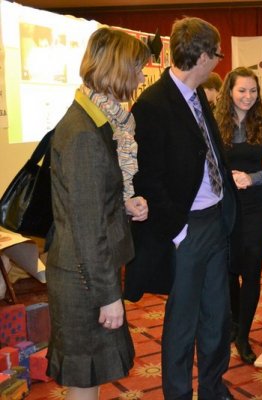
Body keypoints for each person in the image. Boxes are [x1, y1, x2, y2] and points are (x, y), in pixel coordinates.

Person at [128, 17, 237, 400]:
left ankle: (212, 387)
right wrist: (177, 231)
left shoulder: (198, 96)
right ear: (203, 56)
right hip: (186, 228)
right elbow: (147, 178)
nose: (219, 61)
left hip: (215, 219)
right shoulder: (153, 105)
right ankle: (178, 394)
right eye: (217, 54)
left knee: (217, 316)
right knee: (182, 323)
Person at [46, 27, 150, 400]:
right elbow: (88, 228)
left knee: (90, 375)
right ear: (117, 69)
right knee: (86, 376)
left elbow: (89, 201)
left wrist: (123, 204)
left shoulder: (97, 120)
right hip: (85, 278)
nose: (141, 76)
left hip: (86, 271)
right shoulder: (85, 134)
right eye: (137, 68)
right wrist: (108, 296)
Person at [214, 67, 262, 365]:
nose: (247, 96)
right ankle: (233, 323)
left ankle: (243, 336)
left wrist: (251, 179)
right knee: (228, 271)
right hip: (223, 208)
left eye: (253, 91)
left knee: (251, 273)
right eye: (242, 90)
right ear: (229, 91)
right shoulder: (216, 123)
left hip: (255, 208)